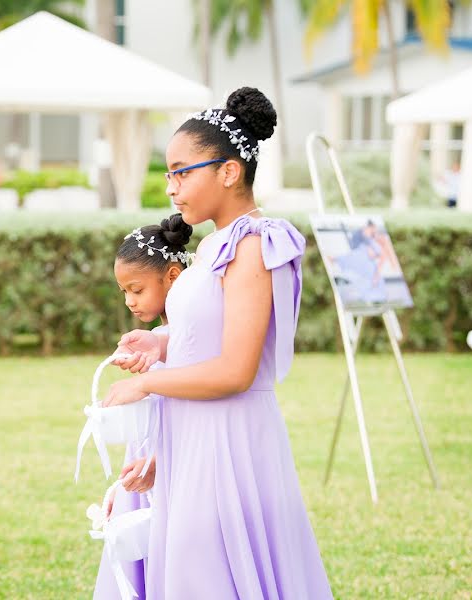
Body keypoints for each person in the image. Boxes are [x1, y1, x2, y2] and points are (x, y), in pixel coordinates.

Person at [104, 87, 333, 599]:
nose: (171, 186)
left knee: (207, 576)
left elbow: (236, 370)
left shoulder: (254, 245)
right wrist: (161, 341)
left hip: (231, 441)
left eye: (182, 171)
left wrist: (146, 387)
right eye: (168, 173)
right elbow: (206, 335)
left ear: (229, 171)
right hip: (193, 434)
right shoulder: (211, 245)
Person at [93, 214, 192, 600]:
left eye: (136, 289)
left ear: (172, 276)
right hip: (146, 461)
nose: (129, 301)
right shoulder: (152, 340)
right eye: (123, 291)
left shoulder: (185, 339)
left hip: (175, 460)